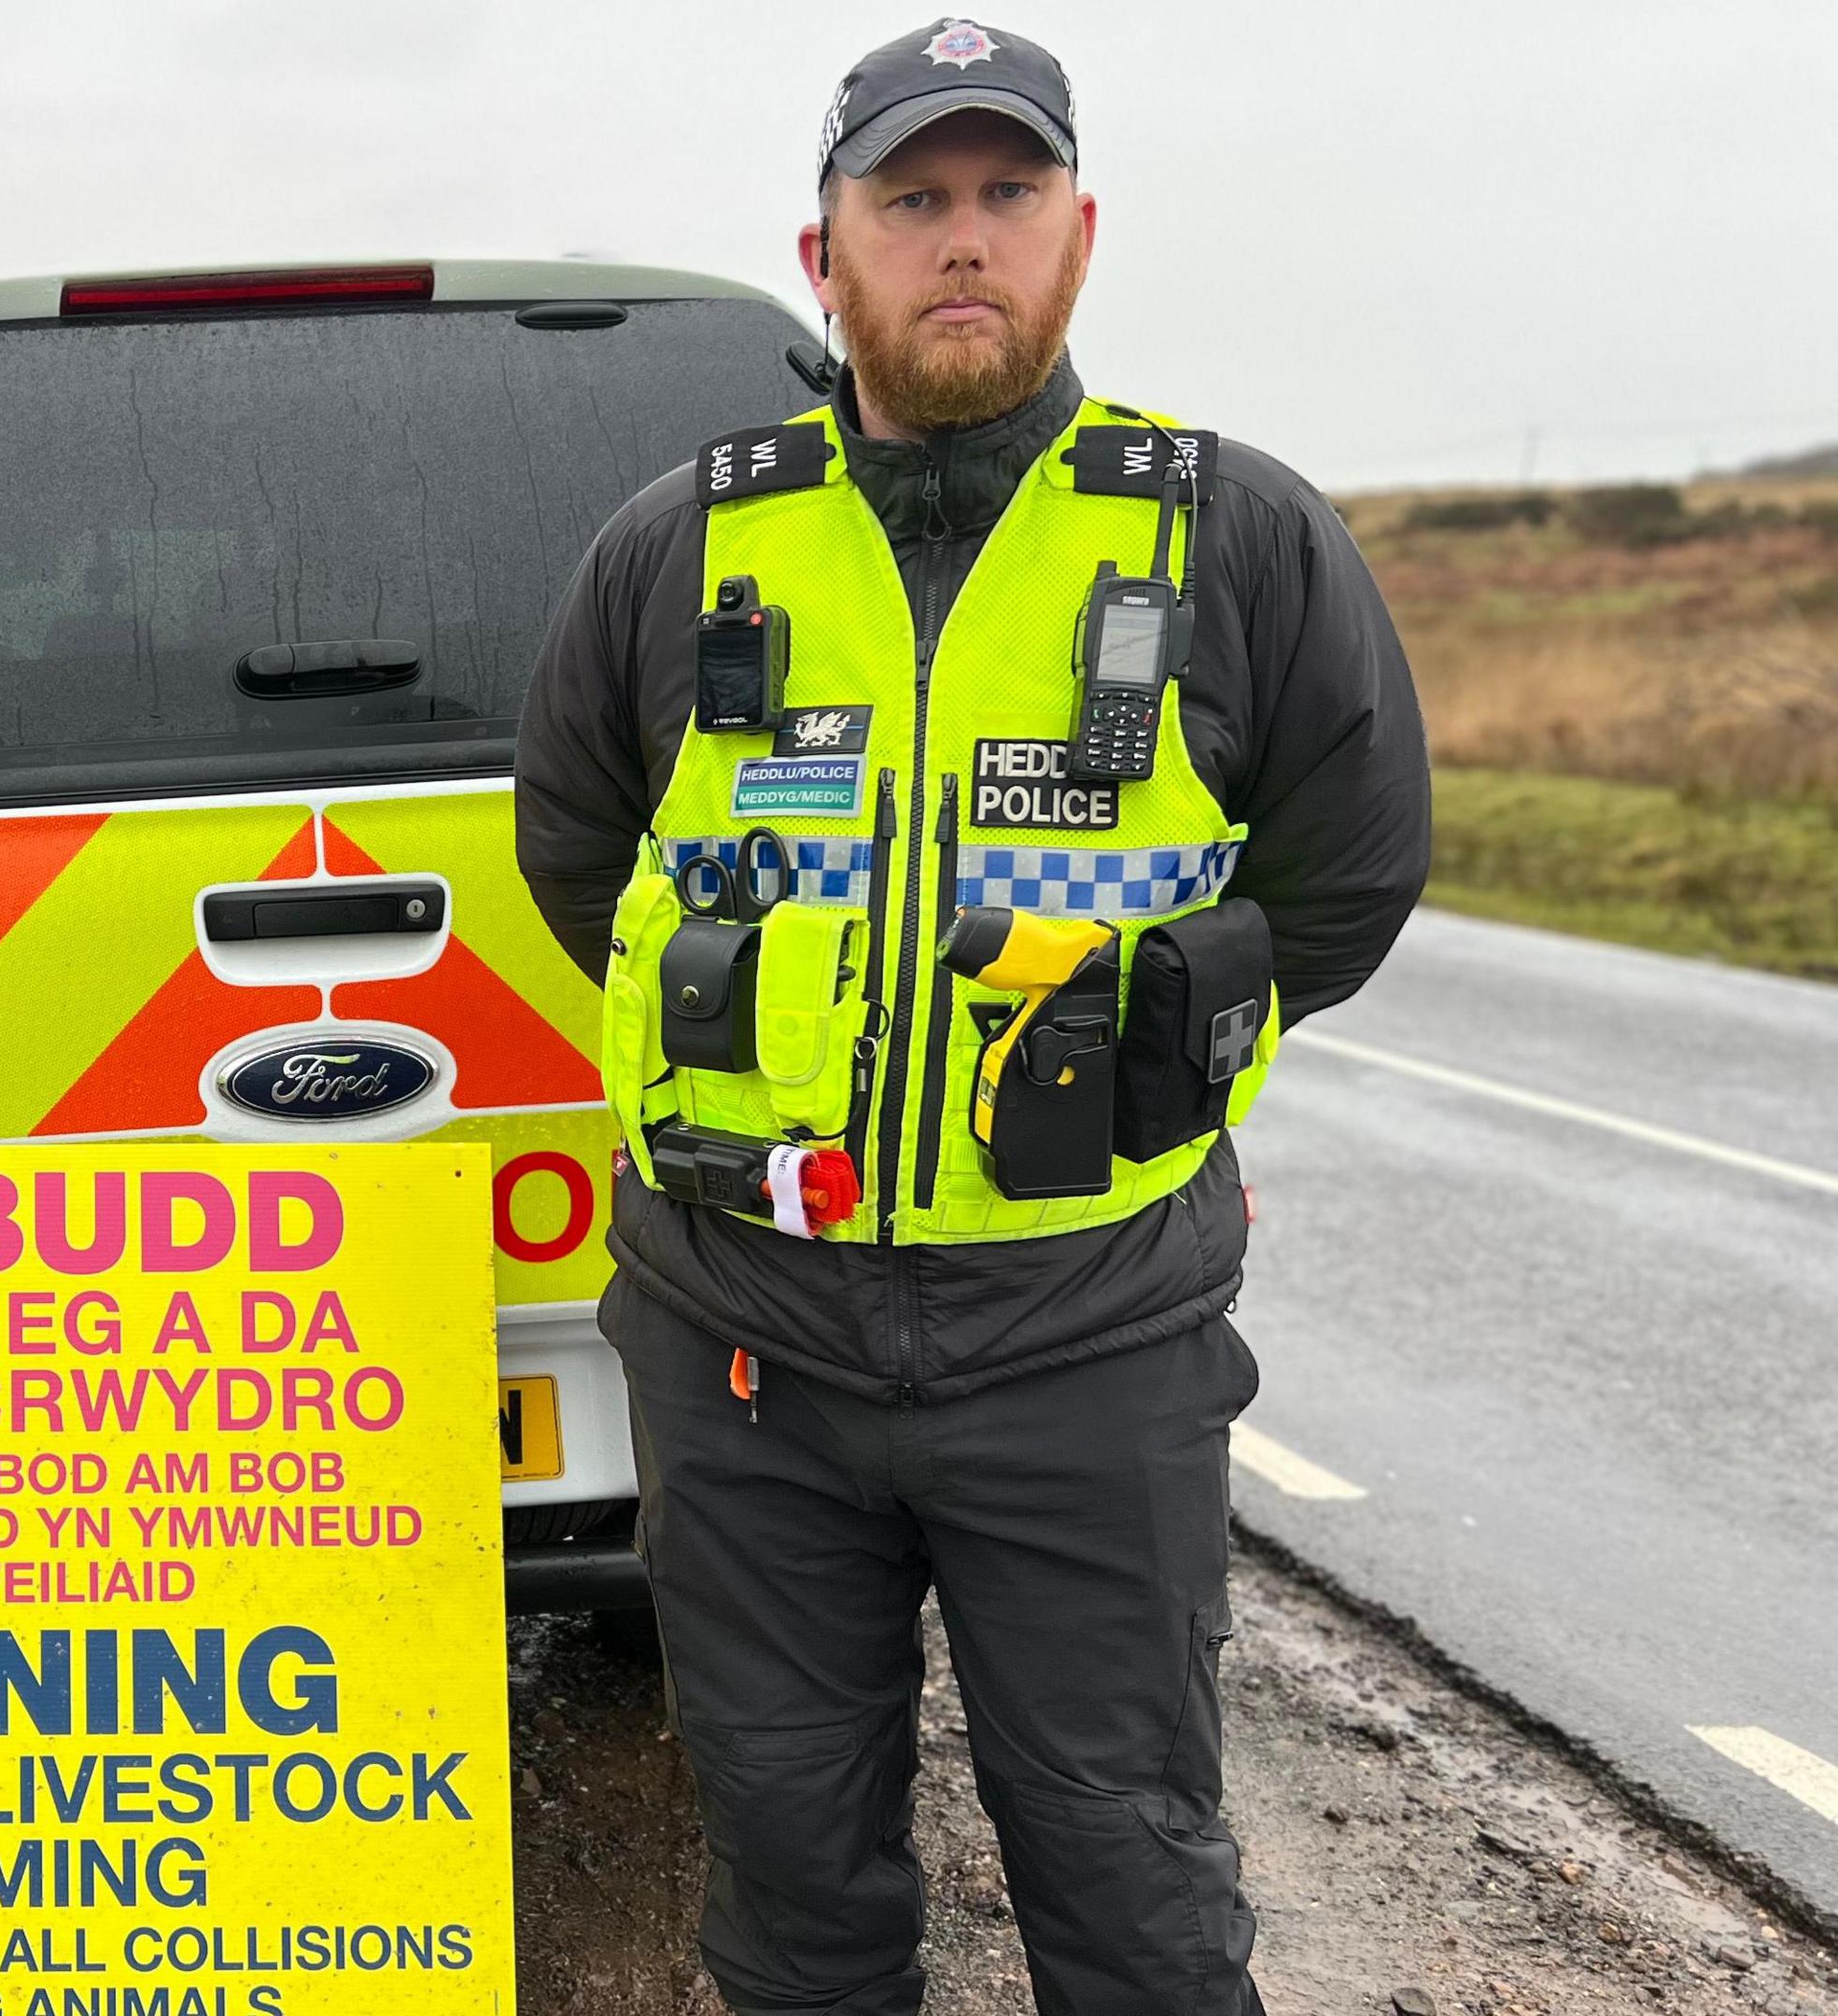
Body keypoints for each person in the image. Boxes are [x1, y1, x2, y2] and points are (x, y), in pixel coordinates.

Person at [516, 18, 1427, 2013]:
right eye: (910, 200)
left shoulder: (1229, 535)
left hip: (1087, 1335)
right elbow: (581, 858)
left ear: (1080, 234)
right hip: (746, 1336)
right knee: (793, 1894)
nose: (962, 242)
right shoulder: (677, 546)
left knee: (1132, 1893)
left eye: (1007, 196)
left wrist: (1170, 1052)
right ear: (822, 248)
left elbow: (1348, 880)